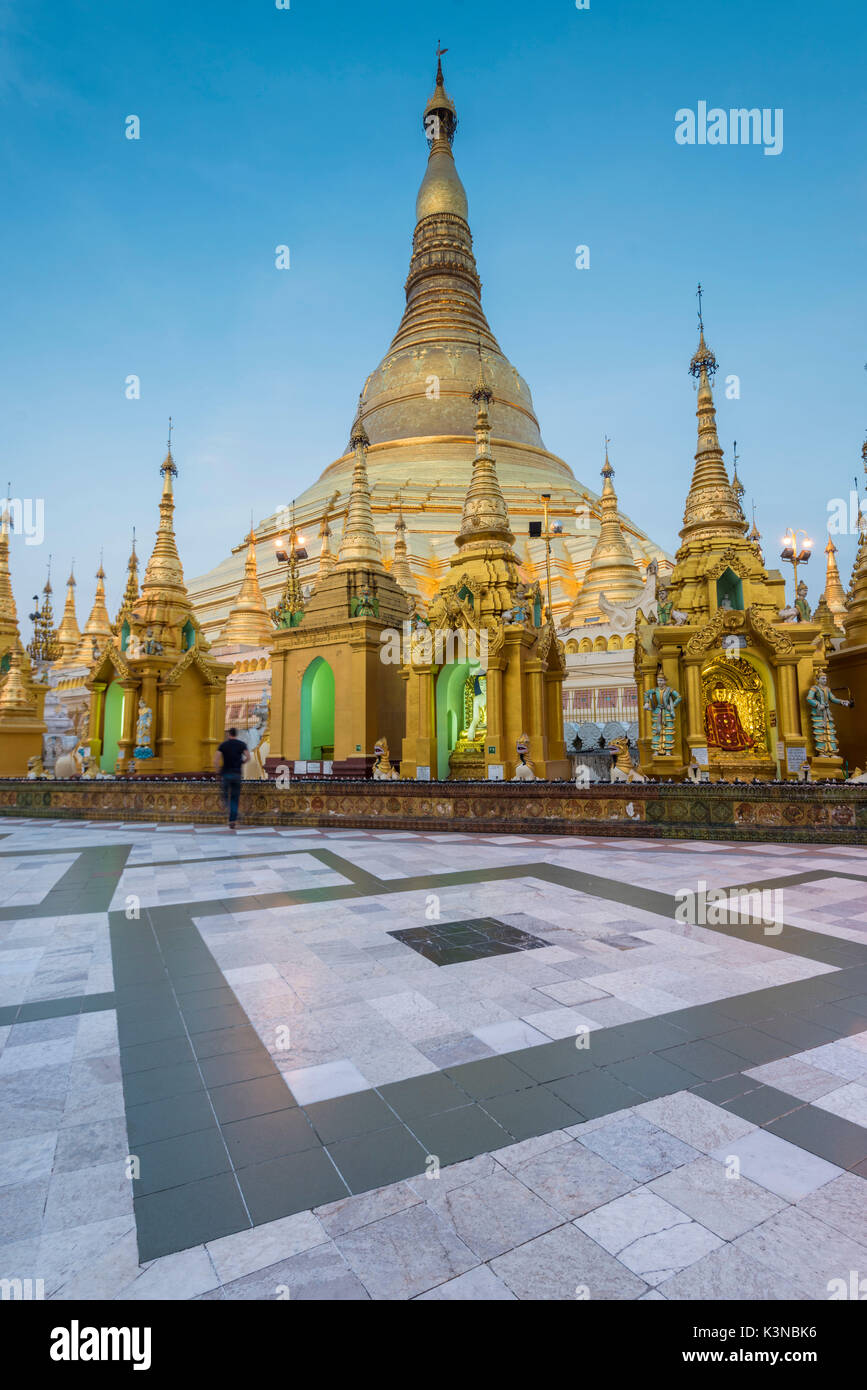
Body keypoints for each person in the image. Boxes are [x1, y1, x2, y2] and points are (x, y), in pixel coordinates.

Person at [215, 727, 249, 830]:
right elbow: (248, 757)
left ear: (229, 734)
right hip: (237, 773)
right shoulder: (241, 744)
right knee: (235, 797)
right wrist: (241, 763)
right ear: (236, 734)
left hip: (226, 773)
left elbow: (216, 760)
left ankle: (227, 806)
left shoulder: (223, 745)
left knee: (225, 795)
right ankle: (232, 819)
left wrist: (218, 772)